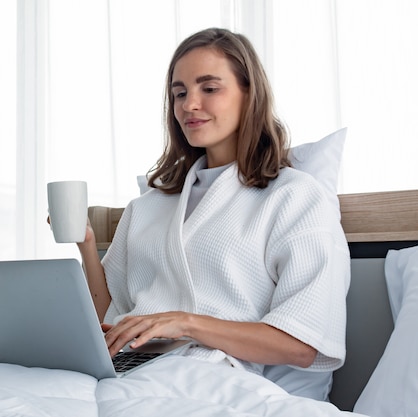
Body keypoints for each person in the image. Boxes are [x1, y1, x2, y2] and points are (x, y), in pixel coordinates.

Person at [72, 27, 350, 400]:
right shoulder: (149, 206)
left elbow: (301, 344)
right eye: (179, 93)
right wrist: (87, 246)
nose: (189, 104)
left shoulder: (295, 198)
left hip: (210, 380)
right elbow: (114, 316)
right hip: (126, 371)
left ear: (249, 93)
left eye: (209, 88)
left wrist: (184, 323)